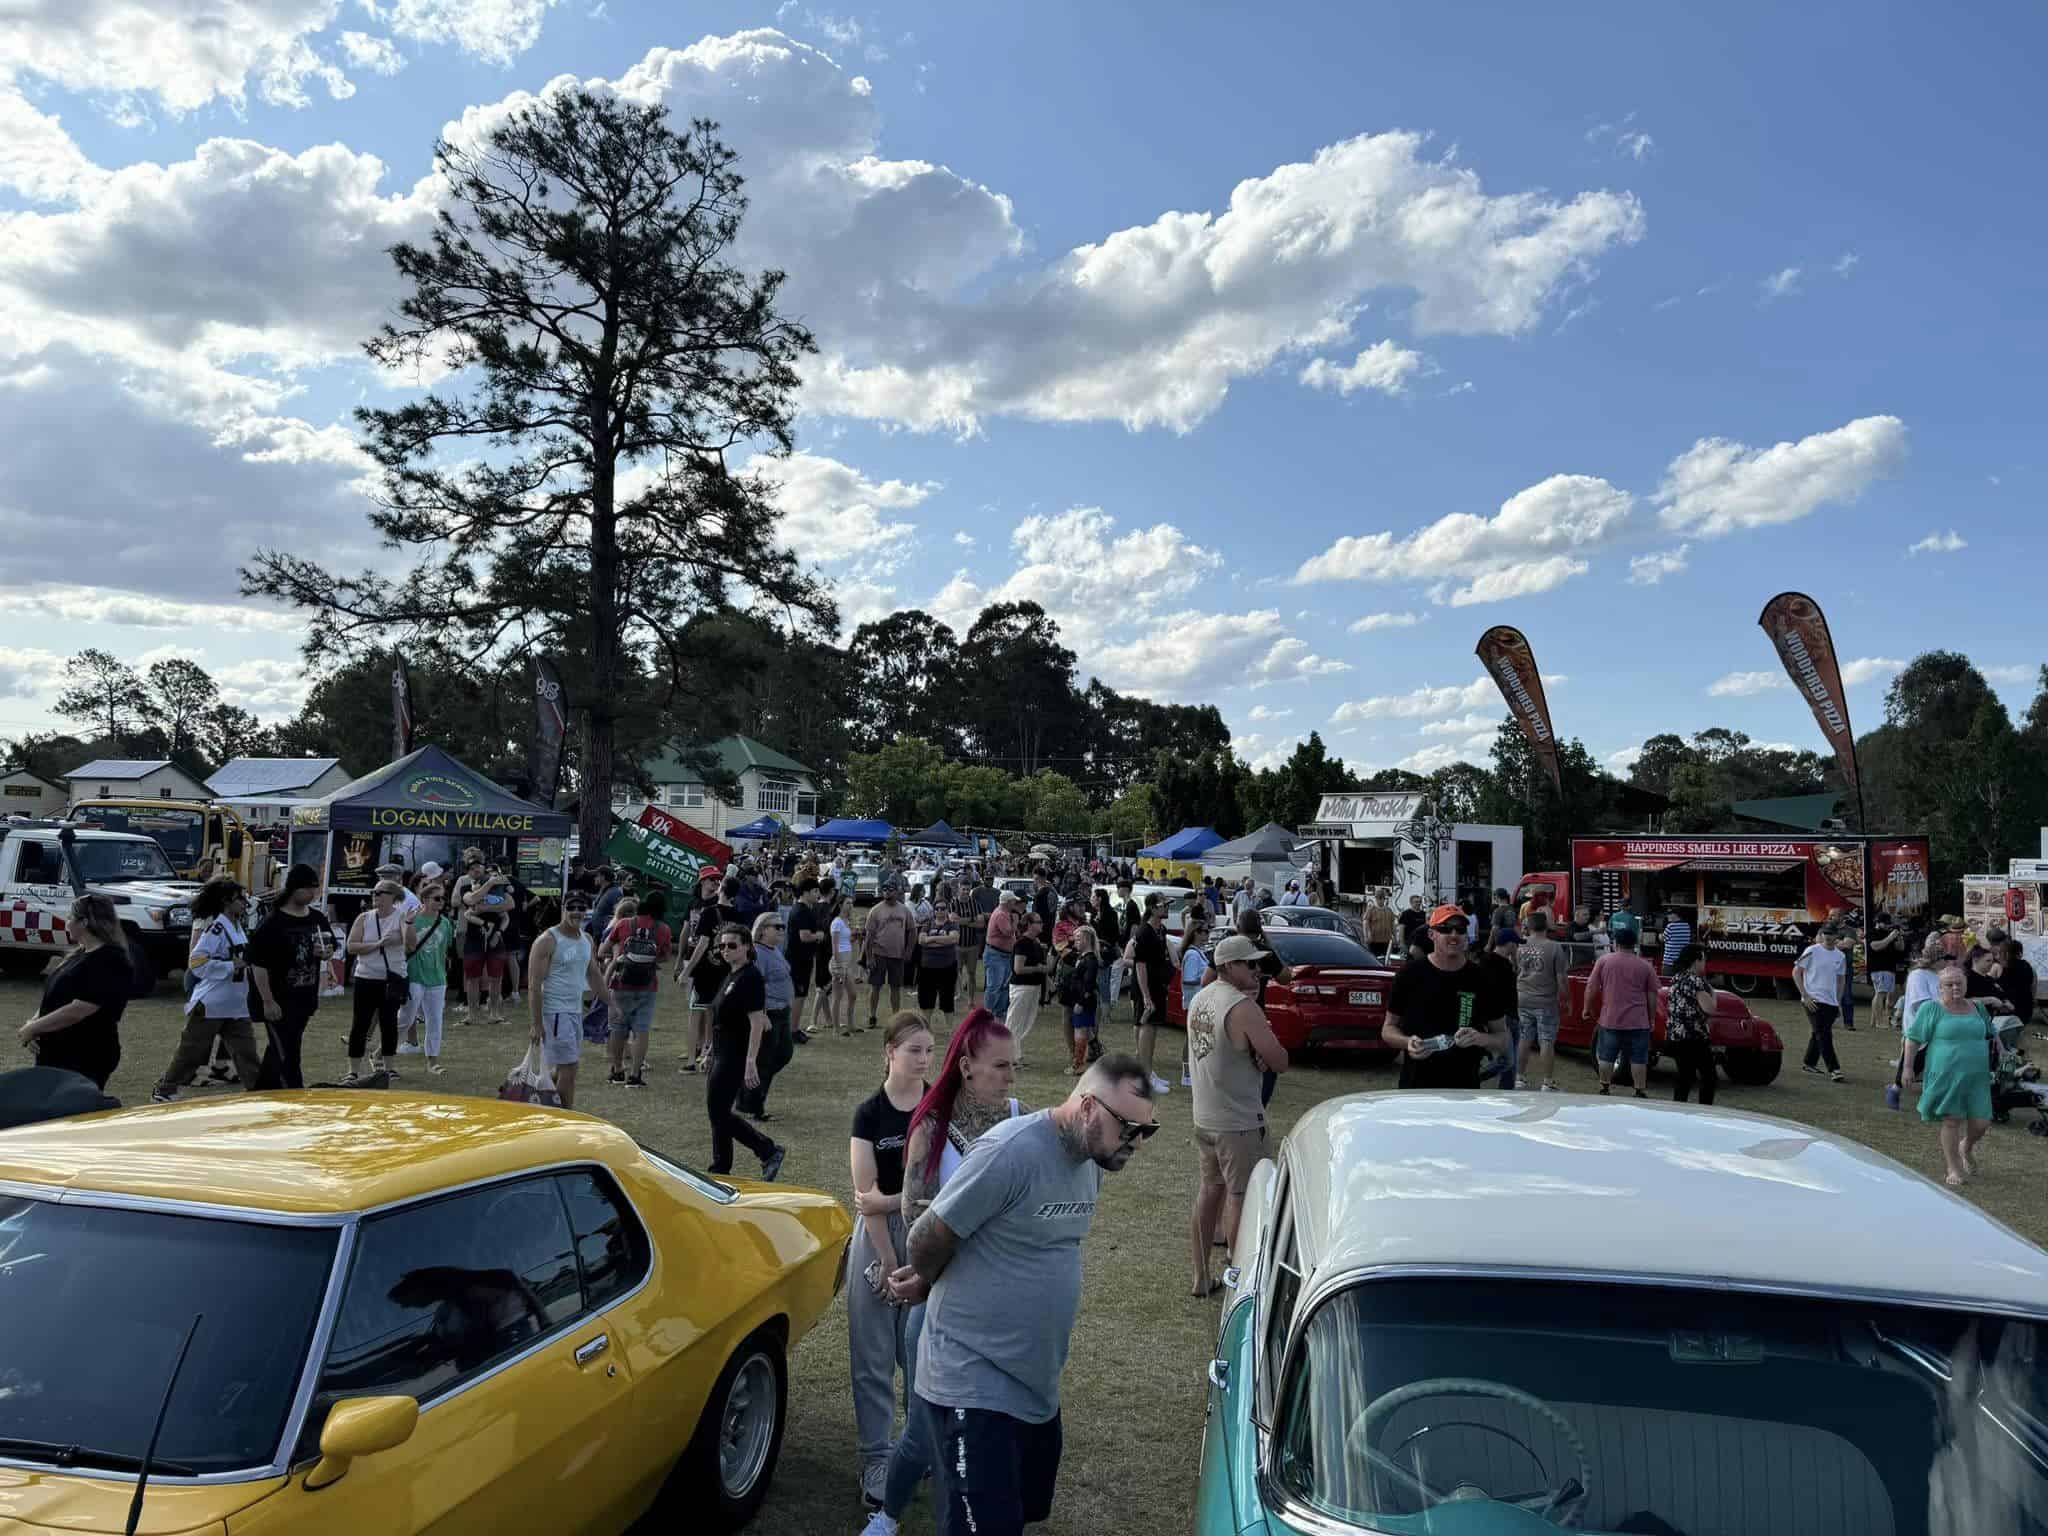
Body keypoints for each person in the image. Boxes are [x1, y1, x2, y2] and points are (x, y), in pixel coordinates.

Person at [885, 1056, 1159, 1536]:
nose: (1136, 1143)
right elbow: (926, 1237)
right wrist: (928, 1282)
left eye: (1146, 1131)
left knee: (1023, 1510)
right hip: (971, 1380)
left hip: (1035, 1386)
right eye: (1128, 1128)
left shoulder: (1090, 1164)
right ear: (1088, 1107)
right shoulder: (1009, 1152)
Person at [868, 1010, 1021, 1536]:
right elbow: (915, 1222)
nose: (1011, 1077)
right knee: (924, 1427)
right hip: (938, 1302)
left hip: (999, 1307)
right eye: (1000, 1066)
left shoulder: (1021, 1120)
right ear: (967, 1066)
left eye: (1015, 1065)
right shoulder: (932, 1128)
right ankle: (888, 1516)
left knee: (991, 1423)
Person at [849, 1012, 937, 1506]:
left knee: (921, 1352)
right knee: (873, 1356)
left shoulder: (939, 1108)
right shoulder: (869, 1114)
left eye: (929, 1050)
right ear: (890, 1052)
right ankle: (877, 1460)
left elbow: (943, 1187)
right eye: (914, 1050)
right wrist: (885, 1261)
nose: (924, 1060)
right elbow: (865, 1198)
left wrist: (888, 1200)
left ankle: (918, 1447)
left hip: (928, 1236)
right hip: (877, 1240)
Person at [1188, 934, 1289, 1298]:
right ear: (1229, 966)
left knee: (1209, 1192)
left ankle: (1201, 1276)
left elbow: (1223, 1051)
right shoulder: (1242, 1007)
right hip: (1238, 1122)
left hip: (1206, 1116)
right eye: (1250, 964)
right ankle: (1239, 1281)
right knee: (1241, 1197)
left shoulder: (1201, 998)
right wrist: (1263, 1054)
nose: (1257, 970)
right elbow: (1280, 1060)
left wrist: (1253, 1054)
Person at [152, 877, 262, 1102]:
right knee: (191, 1052)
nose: (245, 902)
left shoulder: (236, 926)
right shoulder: (217, 928)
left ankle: (259, 1092)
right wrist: (230, 965)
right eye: (240, 898)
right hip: (212, 1004)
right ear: (226, 901)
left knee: (247, 1053)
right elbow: (196, 962)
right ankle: (165, 1090)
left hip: (235, 1003)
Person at [700, 923, 786, 1180]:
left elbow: (757, 1021)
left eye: (732, 945)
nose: (725, 950)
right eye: (722, 946)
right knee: (718, 1111)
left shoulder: (751, 977)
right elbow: (722, 1019)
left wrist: (750, 1061)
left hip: (735, 1054)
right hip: (721, 1051)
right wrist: (709, 1051)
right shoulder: (732, 974)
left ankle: (767, 1150)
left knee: (718, 1111)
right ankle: (721, 1167)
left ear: (747, 946)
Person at [18, 893, 130, 1088]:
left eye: (70, 917)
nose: (67, 923)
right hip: (56, 1054)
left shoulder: (109, 960)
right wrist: (35, 1025)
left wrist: (33, 1029)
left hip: (84, 1055)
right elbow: (54, 997)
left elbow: (79, 1009)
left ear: (84, 922)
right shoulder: (79, 954)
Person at [1902, 964, 1997, 1187]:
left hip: (1977, 1076)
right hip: (1946, 1075)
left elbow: (1991, 1033)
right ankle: (1953, 1167)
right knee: (1951, 1120)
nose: (1955, 987)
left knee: (1981, 1122)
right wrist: (1907, 1067)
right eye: (1949, 984)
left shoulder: (1977, 1007)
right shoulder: (1932, 1009)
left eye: (1959, 983)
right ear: (1940, 987)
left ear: (1966, 984)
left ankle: (1966, 1147)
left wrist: (2003, 1052)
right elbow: (1913, 1039)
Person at [527, 890, 619, 1110]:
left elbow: (594, 975)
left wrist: (611, 1004)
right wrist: (536, 1024)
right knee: (569, 1069)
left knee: (566, 1068)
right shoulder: (547, 941)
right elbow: (534, 985)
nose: (576, 912)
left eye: (581, 908)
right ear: (563, 909)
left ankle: (544, 1097)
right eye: (571, 907)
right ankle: (566, 1116)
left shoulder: (586, 939)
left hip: (575, 1012)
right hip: (555, 1013)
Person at [244, 863, 331, 1090]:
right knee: (287, 1052)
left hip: (305, 996)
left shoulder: (317, 918)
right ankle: (294, 1092)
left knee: (283, 1047)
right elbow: (257, 964)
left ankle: (262, 1091)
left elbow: (329, 943)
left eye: (315, 888)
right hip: (278, 999)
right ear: (294, 889)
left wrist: (327, 952)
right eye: (308, 889)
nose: (312, 894)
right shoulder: (273, 923)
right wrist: (268, 1000)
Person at [1583, 918, 1660, 1097]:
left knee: (1606, 1055)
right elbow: (1652, 994)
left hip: (1610, 1018)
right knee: (1639, 1058)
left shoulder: (1604, 961)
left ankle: (1604, 1087)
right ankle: (1639, 1090)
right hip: (1638, 1021)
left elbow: (1591, 987)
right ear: (1634, 944)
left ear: (1615, 943)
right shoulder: (1645, 966)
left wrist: (1586, 1007)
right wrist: (1651, 1018)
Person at [601, 890, 670, 1088]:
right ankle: (635, 1075)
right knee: (641, 1030)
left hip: (620, 984)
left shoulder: (624, 924)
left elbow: (604, 949)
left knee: (617, 1028)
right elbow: (665, 957)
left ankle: (617, 1070)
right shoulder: (663, 929)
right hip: (648, 985)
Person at [677, 867, 740, 1071]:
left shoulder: (709, 912)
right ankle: (708, 1055)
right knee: (715, 1016)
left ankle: (690, 1062)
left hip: (705, 971)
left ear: (722, 889)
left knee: (695, 1014)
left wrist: (686, 971)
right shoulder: (738, 915)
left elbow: (702, 944)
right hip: (726, 972)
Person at [738, 909, 795, 1120]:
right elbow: (754, 986)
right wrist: (762, 1015)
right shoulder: (758, 954)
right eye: (777, 927)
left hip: (782, 1012)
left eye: (783, 926)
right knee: (765, 1061)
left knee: (783, 1054)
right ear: (762, 930)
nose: (782, 930)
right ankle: (754, 1107)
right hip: (769, 1014)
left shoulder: (774, 950)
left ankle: (748, 1096)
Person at [1510, 910, 1572, 1093]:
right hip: (1545, 1000)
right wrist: (1567, 999)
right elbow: (1561, 978)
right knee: (1546, 1040)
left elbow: (1515, 969)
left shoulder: (1520, 945)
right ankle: (1547, 1082)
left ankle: (1519, 1078)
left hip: (1522, 997)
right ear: (1546, 926)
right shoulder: (1554, 947)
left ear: (1528, 927)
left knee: (1524, 1038)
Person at [402, 883, 455, 1076]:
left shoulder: (445, 923)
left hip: (437, 978)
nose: (441, 902)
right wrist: (408, 924)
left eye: (443, 898)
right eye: (437, 898)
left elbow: (445, 950)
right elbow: (407, 947)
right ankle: (380, 1053)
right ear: (424, 899)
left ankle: (433, 1062)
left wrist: (442, 972)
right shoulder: (412, 919)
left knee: (435, 1020)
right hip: (414, 975)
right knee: (405, 1018)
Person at [1129, 892, 1175, 1096]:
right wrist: (1146, 996)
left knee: (1152, 1027)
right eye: (1163, 905)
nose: (1167, 908)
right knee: (1146, 1027)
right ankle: (1145, 1075)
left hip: (1157, 985)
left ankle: (1148, 1071)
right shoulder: (1144, 932)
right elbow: (1140, 966)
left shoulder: (1161, 930)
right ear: (1153, 908)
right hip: (1145, 986)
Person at [1665, 943, 1721, 1104]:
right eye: (1703, 960)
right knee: (1709, 1076)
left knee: (1684, 1076)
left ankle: (1678, 1107)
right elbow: (1709, 1008)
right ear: (1696, 961)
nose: (1705, 963)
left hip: (1676, 1034)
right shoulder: (1696, 982)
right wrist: (1713, 994)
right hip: (1694, 1036)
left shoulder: (1676, 978)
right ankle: (1704, 1109)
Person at [1794, 925, 1848, 1082]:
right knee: (1824, 1034)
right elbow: (1796, 971)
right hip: (1813, 1000)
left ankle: (1809, 1062)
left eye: (1831, 934)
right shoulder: (1812, 950)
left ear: (1837, 936)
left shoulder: (1840, 956)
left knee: (1819, 1032)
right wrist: (1805, 995)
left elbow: (1841, 980)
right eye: (1825, 933)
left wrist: (1838, 1002)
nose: (1828, 937)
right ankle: (1834, 1069)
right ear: (1822, 935)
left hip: (1831, 1002)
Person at [862, 884, 916, 1029]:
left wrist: (909, 950)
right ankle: (872, 1016)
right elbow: (869, 936)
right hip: (879, 954)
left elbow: (912, 931)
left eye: (890, 890)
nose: (887, 893)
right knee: (875, 986)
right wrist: (869, 957)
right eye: (885, 890)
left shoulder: (904, 910)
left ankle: (896, 1018)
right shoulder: (876, 910)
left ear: (897, 892)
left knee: (895, 987)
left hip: (897, 955)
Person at [1004, 910, 1050, 1066]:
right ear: (1029, 925)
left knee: (1024, 1023)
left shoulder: (1035, 943)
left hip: (1033, 987)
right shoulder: (1022, 943)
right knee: (1015, 1022)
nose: (1042, 925)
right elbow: (1018, 968)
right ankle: (1009, 1056)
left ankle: (1015, 1055)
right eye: (1038, 922)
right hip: (1022, 987)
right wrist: (1038, 968)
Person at [1479, 927, 1522, 1089]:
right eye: (1516, 944)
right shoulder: (1497, 964)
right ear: (1510, 944)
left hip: (1506, 1016)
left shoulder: (1490, 961)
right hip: (1503, 1017)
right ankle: (1473, 1078)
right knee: (1508, 1060)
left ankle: (1507, 1091)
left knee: (1511, 1060)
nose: (1517, 947)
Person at [788, 879, 829, 1042]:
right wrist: (818, 936)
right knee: (799, 995)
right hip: (799, 959)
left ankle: (794, 1028)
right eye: (815, 891)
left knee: (801, 994)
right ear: (805, 892)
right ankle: (792, 1031)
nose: (817, 895)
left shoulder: (804, 909)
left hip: (802, 958)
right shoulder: (801, 911)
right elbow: (804, 936)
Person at [917, 897, 961, 1031]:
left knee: (947, 998)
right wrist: (942, 940)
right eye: (937, 909)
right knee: (926, 999)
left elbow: (953, 939)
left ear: (947, 910)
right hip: (927, 967)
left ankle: (949, 1028)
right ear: (934, 910)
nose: (940, 911)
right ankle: (926, 1027)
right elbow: (921, 940)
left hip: (947, 967)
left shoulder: (952, 924)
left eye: (943, 908)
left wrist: (931, 939)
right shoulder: (928, 924)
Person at [1065, 926, 1102, 1077]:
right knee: (1087, 1031)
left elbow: (1089, 984)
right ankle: (1096, 1054)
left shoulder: (1090, 960)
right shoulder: (1083, 958)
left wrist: (1081, 1002)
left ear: (1086, 940)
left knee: (1080, 1032)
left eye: (1078, 939)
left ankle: (1079, 1064)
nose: (1075, 942)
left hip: (1084, 1002)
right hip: (1083, 1000)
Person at [982, 888, 1021, 1016]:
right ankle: (988, 1013)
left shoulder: (1004, 913)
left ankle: (999, 1012)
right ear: (1008, 902)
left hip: (1003, 955)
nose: (1015, 904)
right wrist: (1015, 921)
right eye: (1013, 901)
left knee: (1004, 985)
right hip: (996, 955)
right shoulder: (1001, 914)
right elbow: (1008, 932)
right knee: (995, 986)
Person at [825, 892, 859, 1036]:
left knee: (853, 995)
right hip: (839, 962)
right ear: (840, 905)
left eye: (851, 903)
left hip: (847, 961)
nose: (850, 906)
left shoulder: (847, 921)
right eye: (847, 903)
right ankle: (836, 1028)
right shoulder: (837, 922)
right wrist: (839, 966)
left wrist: (855, 937)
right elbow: (835, 946)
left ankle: (850, 1025)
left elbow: (846, 941)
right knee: (838, 996)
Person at [961, 870, 995, 1000]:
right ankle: (967, 982)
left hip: (991, 929)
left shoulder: (997, 893)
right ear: (983, 879)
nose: (989, 881)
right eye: (987, 878)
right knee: (971, 959)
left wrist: (991, 916)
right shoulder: (976, 892)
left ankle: (987, 983)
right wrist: (983, 915)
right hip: (977, 930)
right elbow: (970, 907)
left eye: (991, 878)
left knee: (988, 959)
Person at [1867, 908, 1902, 1030]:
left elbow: (1900, 948)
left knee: (1880, 993)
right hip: (1879, 967)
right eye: (1885, 923)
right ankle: (1879, 1021)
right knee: (1880, 993)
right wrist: (1890, 937)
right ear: (1878, 922)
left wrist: (1899, 936)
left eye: (1889, 924)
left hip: (1890, 967)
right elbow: (1875, 946)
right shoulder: (1873, 932)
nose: (1888, 926)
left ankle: (1873, 1021)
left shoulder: (1889, 933)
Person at [1998, 938, 2037, 1024]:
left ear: (2006, 954)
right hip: (2026, 1011)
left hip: (2007, 1011)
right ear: (2020, 953)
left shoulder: (2001, 969)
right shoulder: (2029, 967)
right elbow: (2033, 988)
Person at [1660, 906, 1694, 973]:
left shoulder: (1670, 926)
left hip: (1669, 963)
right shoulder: (1687, 926)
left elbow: (1662, 939)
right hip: (1682, 964)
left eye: (1669, 913)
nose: (1667, 916)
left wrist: (1660, 935)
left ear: (1675, 914)